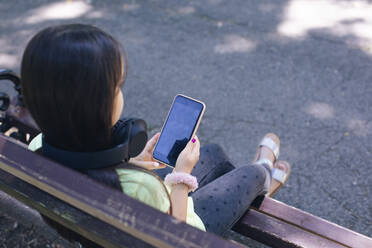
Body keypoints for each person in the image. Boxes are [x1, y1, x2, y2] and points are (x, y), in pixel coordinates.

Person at [21, 24, 291, 240]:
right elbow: (176, 237)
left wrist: (134, 163)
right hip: (188, 230)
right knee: (253, 173)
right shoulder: (142, 189)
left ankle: (250, 191)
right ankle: (265, 174)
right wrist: (183, 177)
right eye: (117, 87)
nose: (120, 94)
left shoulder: (37, 148)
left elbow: (99, 176)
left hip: (105, 225)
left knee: (215, 153)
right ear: (96, 105)